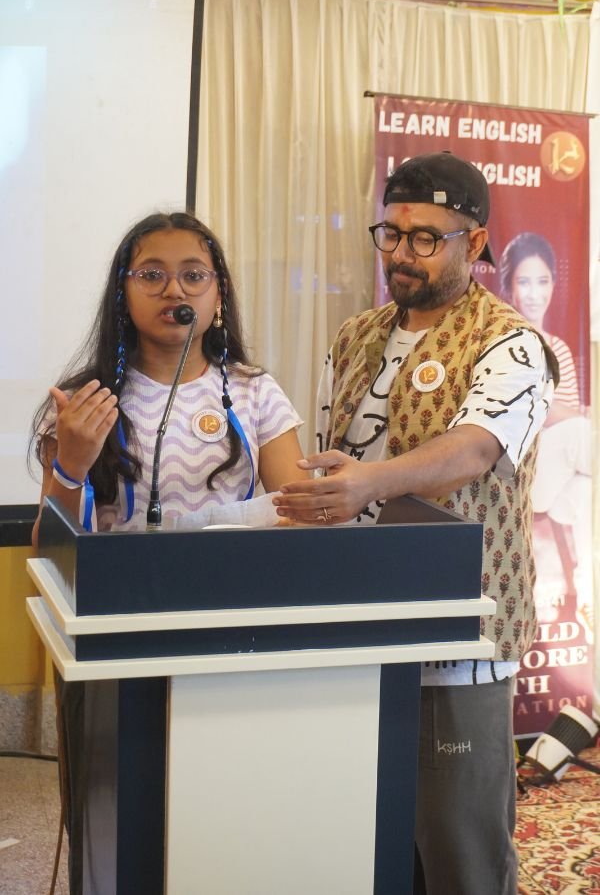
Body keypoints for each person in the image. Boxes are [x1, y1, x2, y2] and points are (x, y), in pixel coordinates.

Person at [273, 152, 559, 895]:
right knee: (365, 843)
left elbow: (475, 448)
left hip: (456, 634)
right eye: (392, 234)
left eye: (427, 237)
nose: (402, 253)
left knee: (459, 853)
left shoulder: (511, 342)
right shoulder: (355, 335)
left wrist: (368, 482)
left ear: (476, 241)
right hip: (353, 626)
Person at [30, 211, 308, 894]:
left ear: (218, 295)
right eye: (151, 275)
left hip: (233, 631)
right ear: (122, 291)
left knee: (224, 812)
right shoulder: (88, 401)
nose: (172, 289)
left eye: (192, 275)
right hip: (120, 636)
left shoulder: (254, 392)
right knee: (125, 818)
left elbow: (299, 514)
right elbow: (50, 547)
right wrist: (71, 463)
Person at [499, 232, 593, 643]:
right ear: (509, 287)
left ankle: (586, 591)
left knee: (586, 486)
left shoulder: (559, 348)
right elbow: (547, 416)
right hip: (522, 476)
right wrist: (581, 416)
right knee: (582, 432)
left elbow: (560, 416)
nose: (535, 293)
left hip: (557, 483)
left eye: (542, 281)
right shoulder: (506, 343)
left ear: (554, 284)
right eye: (524, 282)